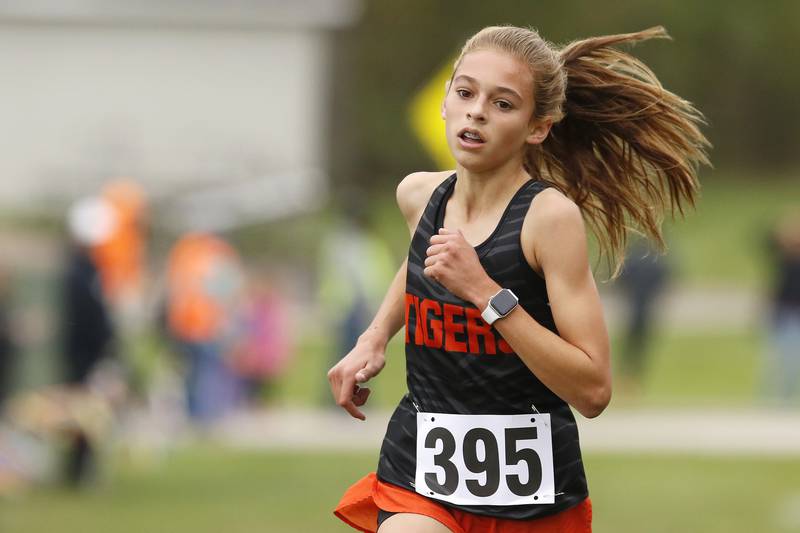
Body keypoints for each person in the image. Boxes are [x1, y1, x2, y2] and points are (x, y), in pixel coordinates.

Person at [328, 25, 710, 533]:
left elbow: (593, 390)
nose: (477, 112)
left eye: (503, 104)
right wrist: (374, 336)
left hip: (533, 496)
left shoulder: (549, 221)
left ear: (537, 127)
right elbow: (419, 261)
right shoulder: (419, 196)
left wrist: (486, 293)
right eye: (465, 93)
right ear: (445, 102)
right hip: (422, 473)